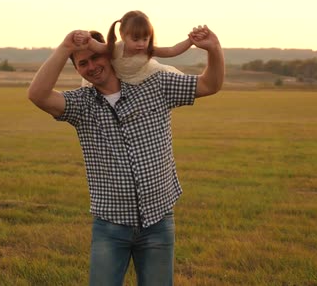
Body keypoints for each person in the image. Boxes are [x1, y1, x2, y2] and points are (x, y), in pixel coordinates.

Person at [27, 24, 224, 286]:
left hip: (158, 221)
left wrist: (214, 49)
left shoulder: (155, 84)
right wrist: (65, 47)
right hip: (110, 226)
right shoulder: (81, 105)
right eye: (83, 63)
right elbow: (38, 95)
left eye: (96, 57)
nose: (92, 66)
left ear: (110, 55)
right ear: (78, 70)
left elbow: (210, 84)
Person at [75, 10, 203, 86]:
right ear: (123, 35)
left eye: (145, 39)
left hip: (142, 77)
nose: (141, 44)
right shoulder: (116, 48)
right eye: (135, 39)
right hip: (119, 80)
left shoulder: (147, 51)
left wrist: (190, 41)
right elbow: (98, 47)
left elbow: (171, 51)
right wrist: (86, 38)